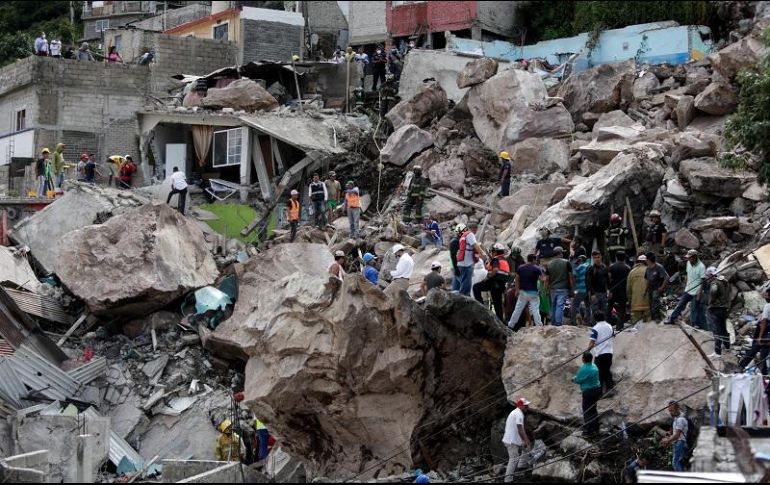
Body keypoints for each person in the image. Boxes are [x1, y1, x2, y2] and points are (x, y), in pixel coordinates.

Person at [666, 249, 706, 328]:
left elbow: (702, 281)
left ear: (695, 257)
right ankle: (672, 319)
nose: (688, 259)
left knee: (695, 308)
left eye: (690, 258)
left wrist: (699, 293)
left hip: (696, 291)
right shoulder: (688, 263)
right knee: (680, 305)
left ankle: (695, 325)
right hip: (688, 289)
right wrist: (685, 287)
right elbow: (688, 276)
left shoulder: (701, 267)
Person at [473, 243, 510, 321]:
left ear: (495, 252)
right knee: (498, 304)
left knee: (476, 287)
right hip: (501, 285)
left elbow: (495, 270)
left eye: (493, 251)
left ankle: (481, 308)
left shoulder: (495, 259)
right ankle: (501, 321)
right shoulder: (504, 260)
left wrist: (487, 278)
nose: (492, 253)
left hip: (493, 283)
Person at [739, 284, 770, 373]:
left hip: (766, 333)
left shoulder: (768, 306)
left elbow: (764, 322)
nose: (765, 296)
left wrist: (760, 336)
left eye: (767, 295)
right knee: (764, 355)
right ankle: (764, 375)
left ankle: (741, 367)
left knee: (754, 349)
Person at [507, 254, 544, 330]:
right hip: (533, 293)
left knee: (518, 309)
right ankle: (539, 326)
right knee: (535, 310)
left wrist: (517, 290)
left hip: (523, 292)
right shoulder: (537, 269)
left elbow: (517, 279)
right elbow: (542, 280)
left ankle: (511, 325)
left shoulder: (521, 268)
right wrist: (541, 289)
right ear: (534, 260)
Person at [502, 398, 532, 483]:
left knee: (527, 449)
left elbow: (520, 430)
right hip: (511, 441)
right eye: (526, 406)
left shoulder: (516, 412)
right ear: (521, 406)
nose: (527, 407)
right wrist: (526, 440)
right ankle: (508, 480)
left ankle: (521, 466)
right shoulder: (518, 414)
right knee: (514, 458)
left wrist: (525, 442)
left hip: (514, 439)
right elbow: (520, 429)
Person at [573, 352, 602, 436]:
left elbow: (578, 380)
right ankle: (596, 428)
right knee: (593, 409)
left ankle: (588, 430)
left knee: (587, 411)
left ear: (583, 359)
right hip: (597, 390)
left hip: (588, 392)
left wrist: (573, 379)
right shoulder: (594, 366)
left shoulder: (584, 368)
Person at [705, 266, 730, 359]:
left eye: (707, 276)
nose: (707, 278)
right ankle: (727, 346)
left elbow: (713, 291)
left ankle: (717, 352)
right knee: (723, 328)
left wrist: (710, 303)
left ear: (711, 275)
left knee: (717, 331)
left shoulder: (714, 283)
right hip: (724, 308)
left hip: (716, 309)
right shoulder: (724, 281)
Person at [545, 246, 574, 327]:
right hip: (563, 288)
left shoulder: (549, 264)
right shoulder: (566, 262)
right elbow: (570, 277)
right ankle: (558, 323)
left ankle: (553, 322)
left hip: (552, 289)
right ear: (560, 253)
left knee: (553, 305)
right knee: (560, 305)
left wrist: (546, 289)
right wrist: (572, 288)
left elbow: (547, 279)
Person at [456, 222, 486, 296]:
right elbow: (475, 245)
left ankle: (463, 297)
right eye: (476, 230)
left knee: (464, 282)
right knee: (467, 283)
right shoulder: (470, 234)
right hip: (467, 262)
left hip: (461, 262)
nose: (476, 232)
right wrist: (483, 254)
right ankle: (464, 299)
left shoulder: (463, 236)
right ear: (474, 229)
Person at [588, 311, 615, 394]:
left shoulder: (595, 328)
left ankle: (599, 393)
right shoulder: (609, 326)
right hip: (609, 352)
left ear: (595, 319)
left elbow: (592, 342)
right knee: (606, 370)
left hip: (600, 353)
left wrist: (587, 350)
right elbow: (613, 335)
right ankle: (610, 389)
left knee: (599, 373)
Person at [660, 401, 688, 472]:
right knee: (679, 463)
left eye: (672, 410)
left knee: (675, 463)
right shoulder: (676, 419)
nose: (671, 412)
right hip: (678, 443)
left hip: (680, 443)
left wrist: (667, 441)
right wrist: (668, 437)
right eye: (670, 411)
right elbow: (674, 433)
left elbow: (677, 435)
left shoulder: (681, 419)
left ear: (678, 408)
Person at [608, 252, 631, 330]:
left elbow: (609, 279)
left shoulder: (612, 267)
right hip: (623, 291)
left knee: (609, 308)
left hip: (613, 291)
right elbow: (628, 281)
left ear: (616, 257)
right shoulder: (628, 268)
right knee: (622, 309)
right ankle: (619, 326)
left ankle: (607, 325)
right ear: (624, 258)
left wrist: (609, 290)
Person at [644, 252, 669, 322]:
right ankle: (653, 318)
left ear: (649, 260)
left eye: (646, 259)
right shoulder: (648, 268)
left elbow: (667, 277)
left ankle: (657, 317)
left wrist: (662, 287)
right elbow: (648, 280)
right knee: (651, 303)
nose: (645, 260)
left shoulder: (659, 267)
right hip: (650, 288)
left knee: (655, 302)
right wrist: (645, 290)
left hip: (657, 287)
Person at [587, 251, 610, 324]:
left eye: (598, 257)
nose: (597, 259)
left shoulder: (604, 267)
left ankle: (604, 326)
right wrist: (592, 294)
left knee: (604, 310)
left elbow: (607, 280)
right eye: (594, 258)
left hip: (603, 293)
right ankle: (594, 326)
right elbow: (588, 282)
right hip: (595, 293)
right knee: (595, 311)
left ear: (601, 257)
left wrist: (609, 290)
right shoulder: (591, 268)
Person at [627, 254, 650, 323]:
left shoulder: (632, 272)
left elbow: (628, 288)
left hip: (635, 302)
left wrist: (630, 299)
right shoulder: (649, 270)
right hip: (647, 302)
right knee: (648, 323)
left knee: (636, 323)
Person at [572, 254, 591, 325]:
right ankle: (588, 322)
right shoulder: (590, 266)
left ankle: (574, 322)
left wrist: (573, 288)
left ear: (580, 260)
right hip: (588, 290)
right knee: (588, 306)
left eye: (578, 261)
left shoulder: (579, 268)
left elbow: (573, 277)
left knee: (574, 304)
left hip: (580, 290)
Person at [449, 223, 464, 292]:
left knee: (456, 286)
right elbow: (453, 256)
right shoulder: (456, 242)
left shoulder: (457, 241)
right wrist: (456, 268)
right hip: (457, 266)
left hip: (455, 266)